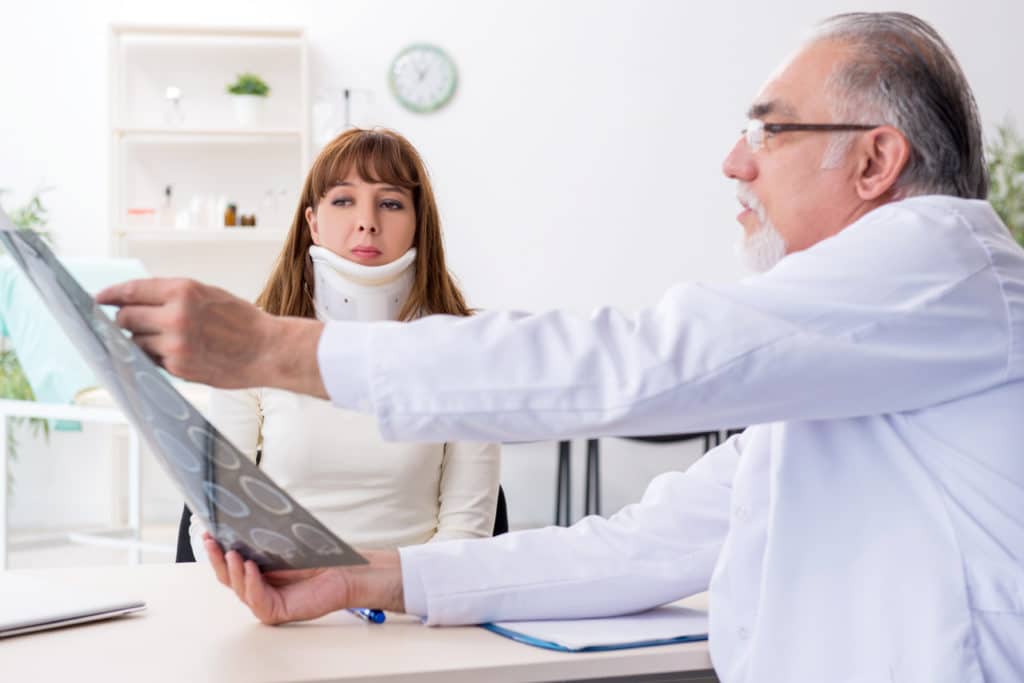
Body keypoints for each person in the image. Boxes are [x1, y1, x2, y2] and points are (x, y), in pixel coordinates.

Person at [98, 12, 1024, 683]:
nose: (735, 163)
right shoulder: (848, 359)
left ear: (874, 161)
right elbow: (635, 547)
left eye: (767, 131)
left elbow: (643, 362)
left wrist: (268, 345)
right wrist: (358, 579)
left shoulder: (942, 260)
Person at [188, 128, 501, 559]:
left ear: (418, 224)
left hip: (411, 606)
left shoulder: (463, 350)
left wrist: (386, 592)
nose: (367, 222)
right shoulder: (249, 344)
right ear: (312, 223)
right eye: (343, 200)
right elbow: (215, 517)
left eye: (390, 203)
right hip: (280, 599)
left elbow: (466, 535)